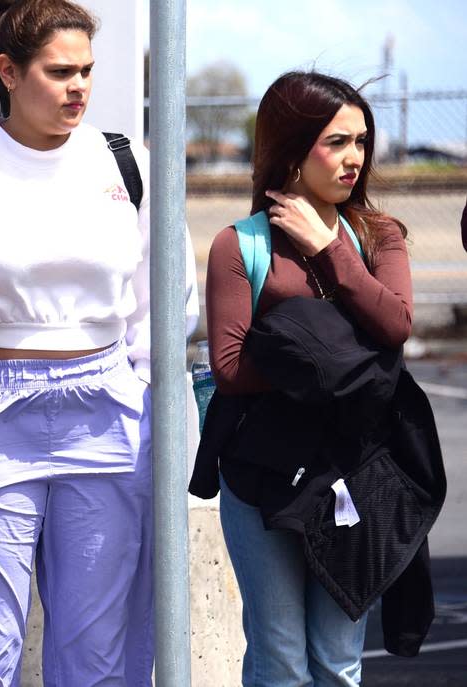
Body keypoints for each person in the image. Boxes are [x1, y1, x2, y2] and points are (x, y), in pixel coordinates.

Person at [0, 1, 198, 684]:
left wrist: (136, 382)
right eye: (60, 71)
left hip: (107, 415)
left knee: (98, 653)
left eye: (86, 70)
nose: (79, 86)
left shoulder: (126, 162)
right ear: (8, 70)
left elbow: (167, 295)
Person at [202, 71, 413, 686]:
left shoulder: (379, 235)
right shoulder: (238, 245)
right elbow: (231, 368)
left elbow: (394, 325)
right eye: (336, 142)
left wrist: (328, 250)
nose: (355, 158)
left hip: (356, 475)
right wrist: (346, 361)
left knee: (338, 662)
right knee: (280, 661)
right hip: (260, 478)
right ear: (292, 150)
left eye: (361, 141)